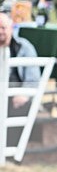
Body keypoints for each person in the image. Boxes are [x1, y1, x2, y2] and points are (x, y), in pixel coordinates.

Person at [1, 12, 40, 147]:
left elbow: (33, 78)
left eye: (3, 28)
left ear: (11, 28)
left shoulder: (24, 47)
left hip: (16, 98)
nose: (1, 32)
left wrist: (24, 94)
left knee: (21, 107)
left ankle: (12, 153)